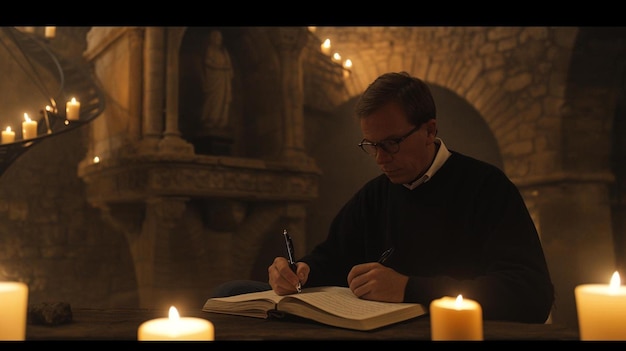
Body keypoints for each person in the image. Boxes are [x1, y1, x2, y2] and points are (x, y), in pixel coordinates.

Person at [210, 71, 555, 324]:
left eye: (390, 143)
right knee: (231, 291)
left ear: (430, 130)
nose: (380, 158)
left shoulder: (487, 187)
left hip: (440, 330)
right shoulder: (376, 194)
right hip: (370, 325)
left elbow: (531, 295)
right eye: (370, 146)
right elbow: (334, 255)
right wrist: (300, 271)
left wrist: (409, 288)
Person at [200, 29, 233, 132]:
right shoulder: (211, 50)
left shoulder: (224, 52)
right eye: (217, 38)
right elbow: (207, 62)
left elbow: (229, 66)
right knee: (213, 99)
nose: (219, 40)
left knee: (223, 100)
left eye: (220, 38)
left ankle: (220, 121)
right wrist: (220, 67)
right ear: (213, 39)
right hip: (214, 80)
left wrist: (226, 68)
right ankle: (211, 119)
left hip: (223, 80)